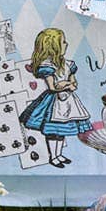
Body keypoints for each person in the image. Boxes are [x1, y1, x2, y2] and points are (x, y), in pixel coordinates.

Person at [19, 27, 92, 167]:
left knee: (61, 131)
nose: (67, 44)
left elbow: (73, 80)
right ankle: (53, 157)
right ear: (53, 46)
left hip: (68, 102)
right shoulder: (47, 65)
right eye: (63, 42)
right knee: (53, 131)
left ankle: (59, 155)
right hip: (54, 103)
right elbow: (52, 87)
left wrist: (72, 84)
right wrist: (65, 84)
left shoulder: (68, 64)